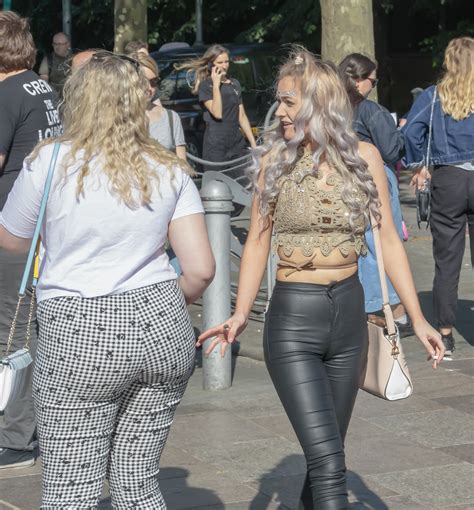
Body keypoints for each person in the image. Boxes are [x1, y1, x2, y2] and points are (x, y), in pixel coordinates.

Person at [197, 47, 444, 509]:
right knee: (331, 466)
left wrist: (420, 319)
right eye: (281, 101)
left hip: (350, 317)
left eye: (290, 101)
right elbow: (256, 242)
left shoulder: (364, 158)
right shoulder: (275, 161)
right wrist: (239, 313)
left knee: (325, 457)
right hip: (293, 321)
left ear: (319, 102)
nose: (280, 111)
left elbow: (389, 241)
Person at [0, 50, 215, 508]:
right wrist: (157, 302)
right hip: (162, 325)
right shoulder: (169, 168)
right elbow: (200, 270)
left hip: (78, 328)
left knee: (71, 488)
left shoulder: (49, 162)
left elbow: (12, 238)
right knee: (138, 484)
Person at [0, 11, 62, 471]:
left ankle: (14, 437)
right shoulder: (42, 90)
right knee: (28, 329)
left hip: (11, 228)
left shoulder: (4, 94)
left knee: (10, 331)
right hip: (42, 226)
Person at [403, 36, 474, 356]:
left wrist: (420, 165)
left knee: (447, 259)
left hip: (448, 178)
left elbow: (411, 132)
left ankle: (445, 333)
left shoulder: (434, 97)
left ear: (448, 62)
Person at [338, 53, 412, 336]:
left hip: (340, 178)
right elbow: (392, 151)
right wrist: (400, 132)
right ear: (358, 80)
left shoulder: (331, 108)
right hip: (373, 177)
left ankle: (363, 306)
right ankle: (391, 310)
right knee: (381, 242)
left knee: (355, 244)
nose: (374, 85)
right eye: (373, 80)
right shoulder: (370, 110)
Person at [176, 44, 256, 171]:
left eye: (226, 62)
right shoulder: (205, 86)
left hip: (236, 141)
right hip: (216, 144)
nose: (225, 66)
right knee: (218, 184)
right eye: (220, 62)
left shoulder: (235, 84)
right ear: (210, 64)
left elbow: (241, 115)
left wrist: (253, 142)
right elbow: (217, 113)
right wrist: (216, 85)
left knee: (243, 182)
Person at [135, 52, 187, 160]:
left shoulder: (171, 118)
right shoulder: (119, 118)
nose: (149, 88)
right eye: (143, 82)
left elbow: (183, 166)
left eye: (154, 82)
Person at [38, 31, 71, 98]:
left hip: (71, 97)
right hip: (55, 98)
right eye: (55, 44)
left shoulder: (75, 59)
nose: (57, 47)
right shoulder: (48, 60)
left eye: (60, 44)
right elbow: (43, 83)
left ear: (68, 44)